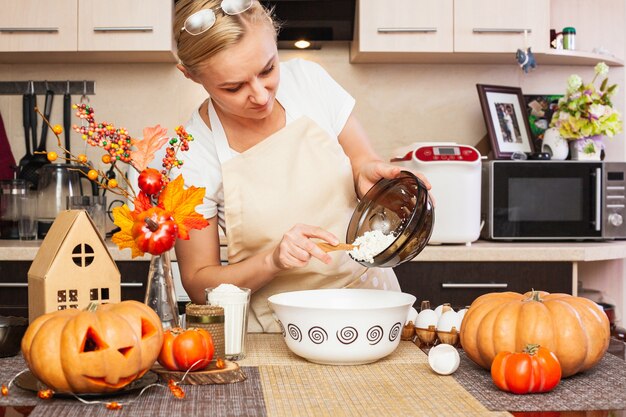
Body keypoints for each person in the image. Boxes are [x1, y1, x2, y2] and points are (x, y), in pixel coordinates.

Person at [167, 0, 430, 332]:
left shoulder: (309, 81)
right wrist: (272, 260)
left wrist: (370, 176)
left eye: (267, 69)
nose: (260, 95)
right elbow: (198, 284)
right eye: (233, 87)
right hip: (279, 332)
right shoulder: (191, 153)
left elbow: (361, 163)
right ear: (189, 75)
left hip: (372, 309)